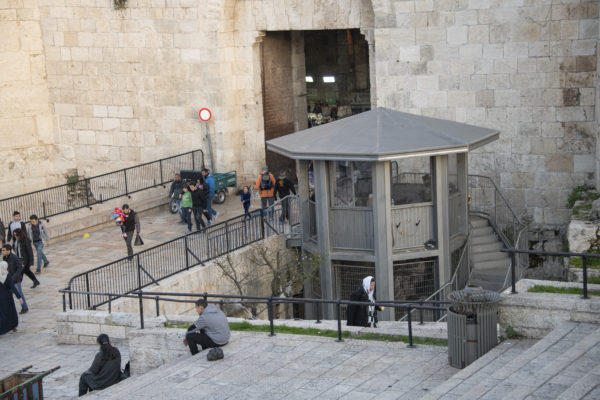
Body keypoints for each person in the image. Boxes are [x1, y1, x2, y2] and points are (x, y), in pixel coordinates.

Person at [2, 244, 27, 314]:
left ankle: (24, 307)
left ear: (8, 251)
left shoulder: (14, 258)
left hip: (16, 280)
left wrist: (13, 278)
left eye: (4, 250)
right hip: (8, 279)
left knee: (19, 294)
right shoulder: (5, 257)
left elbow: (19, 268)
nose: (2, 252)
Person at [0, 261, 23, 335]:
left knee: (2, 314)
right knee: (11, 313)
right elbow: (13, 288)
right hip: (8, 298)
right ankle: (13, 327)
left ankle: (2, 329)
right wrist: (19, 297)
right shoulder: (8, 276)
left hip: (1, 299)